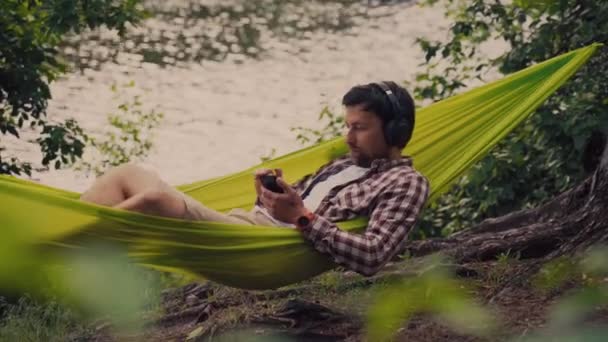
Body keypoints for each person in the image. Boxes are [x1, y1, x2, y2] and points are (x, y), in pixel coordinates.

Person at [81, 81, 430, 276]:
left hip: (270, 252)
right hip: (248, 228)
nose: (349, 137)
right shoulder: (341, 164)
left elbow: (373, 255)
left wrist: (302, 218)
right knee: (129, 174)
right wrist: (266, 196)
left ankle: (59, 248)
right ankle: (68, 239)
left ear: (395, 131)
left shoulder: (405, 183)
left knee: (157, 199)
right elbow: (285, 208)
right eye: (347, 126)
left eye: (360, 128)